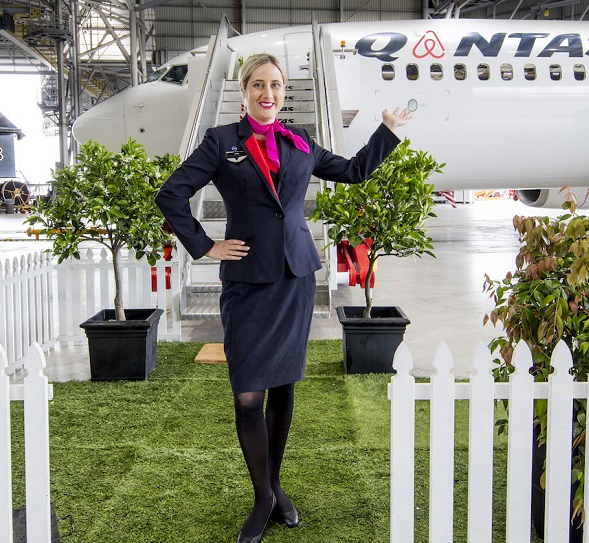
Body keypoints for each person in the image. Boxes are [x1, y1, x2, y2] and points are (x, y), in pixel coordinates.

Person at [155, 52, 411, 543]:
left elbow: (355, 171)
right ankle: (261, 498)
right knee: (248, 394)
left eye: (275, 84)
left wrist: (388, 131)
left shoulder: (300, 140)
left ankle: (274, 486)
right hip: (247, 282)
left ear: (283, 91)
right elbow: (170, 194)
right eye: (258, 84)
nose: (267, 93)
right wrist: (206, 245)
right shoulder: (221, 141)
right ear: (244, 90)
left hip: (294, 277)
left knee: (283, 386)